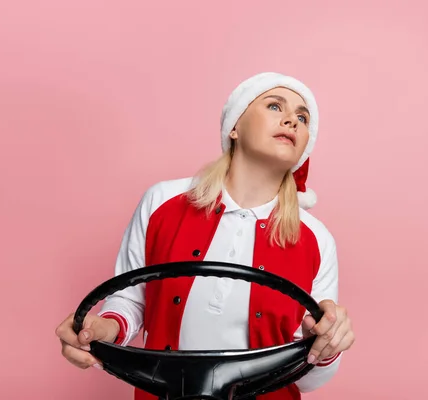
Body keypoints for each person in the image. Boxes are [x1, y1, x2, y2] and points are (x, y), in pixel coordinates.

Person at [55, 72, 355, 400]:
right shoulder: (161, 202)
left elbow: (309, 378)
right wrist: (99, 331)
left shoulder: (317, 239)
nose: (292, 120)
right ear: (234, 127)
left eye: (302, 117)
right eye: (274, 106)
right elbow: (130, 299)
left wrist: (326, 344)